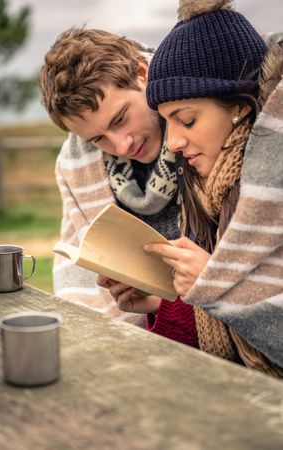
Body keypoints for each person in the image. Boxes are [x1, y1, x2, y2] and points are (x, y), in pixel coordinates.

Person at [103, 0, 283, 376]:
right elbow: (231, 337)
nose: (173, 143)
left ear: (240, 105)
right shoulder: (207, 189)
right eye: (167, 123)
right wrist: (160, 302)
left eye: (187, 119)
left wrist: (215, 283)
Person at [39, 28, 181, 326]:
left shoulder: (203, 117)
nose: (122, 146)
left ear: (142, 75)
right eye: (98, 139)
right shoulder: (73, 165)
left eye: (119, 119)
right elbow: (77, 266)